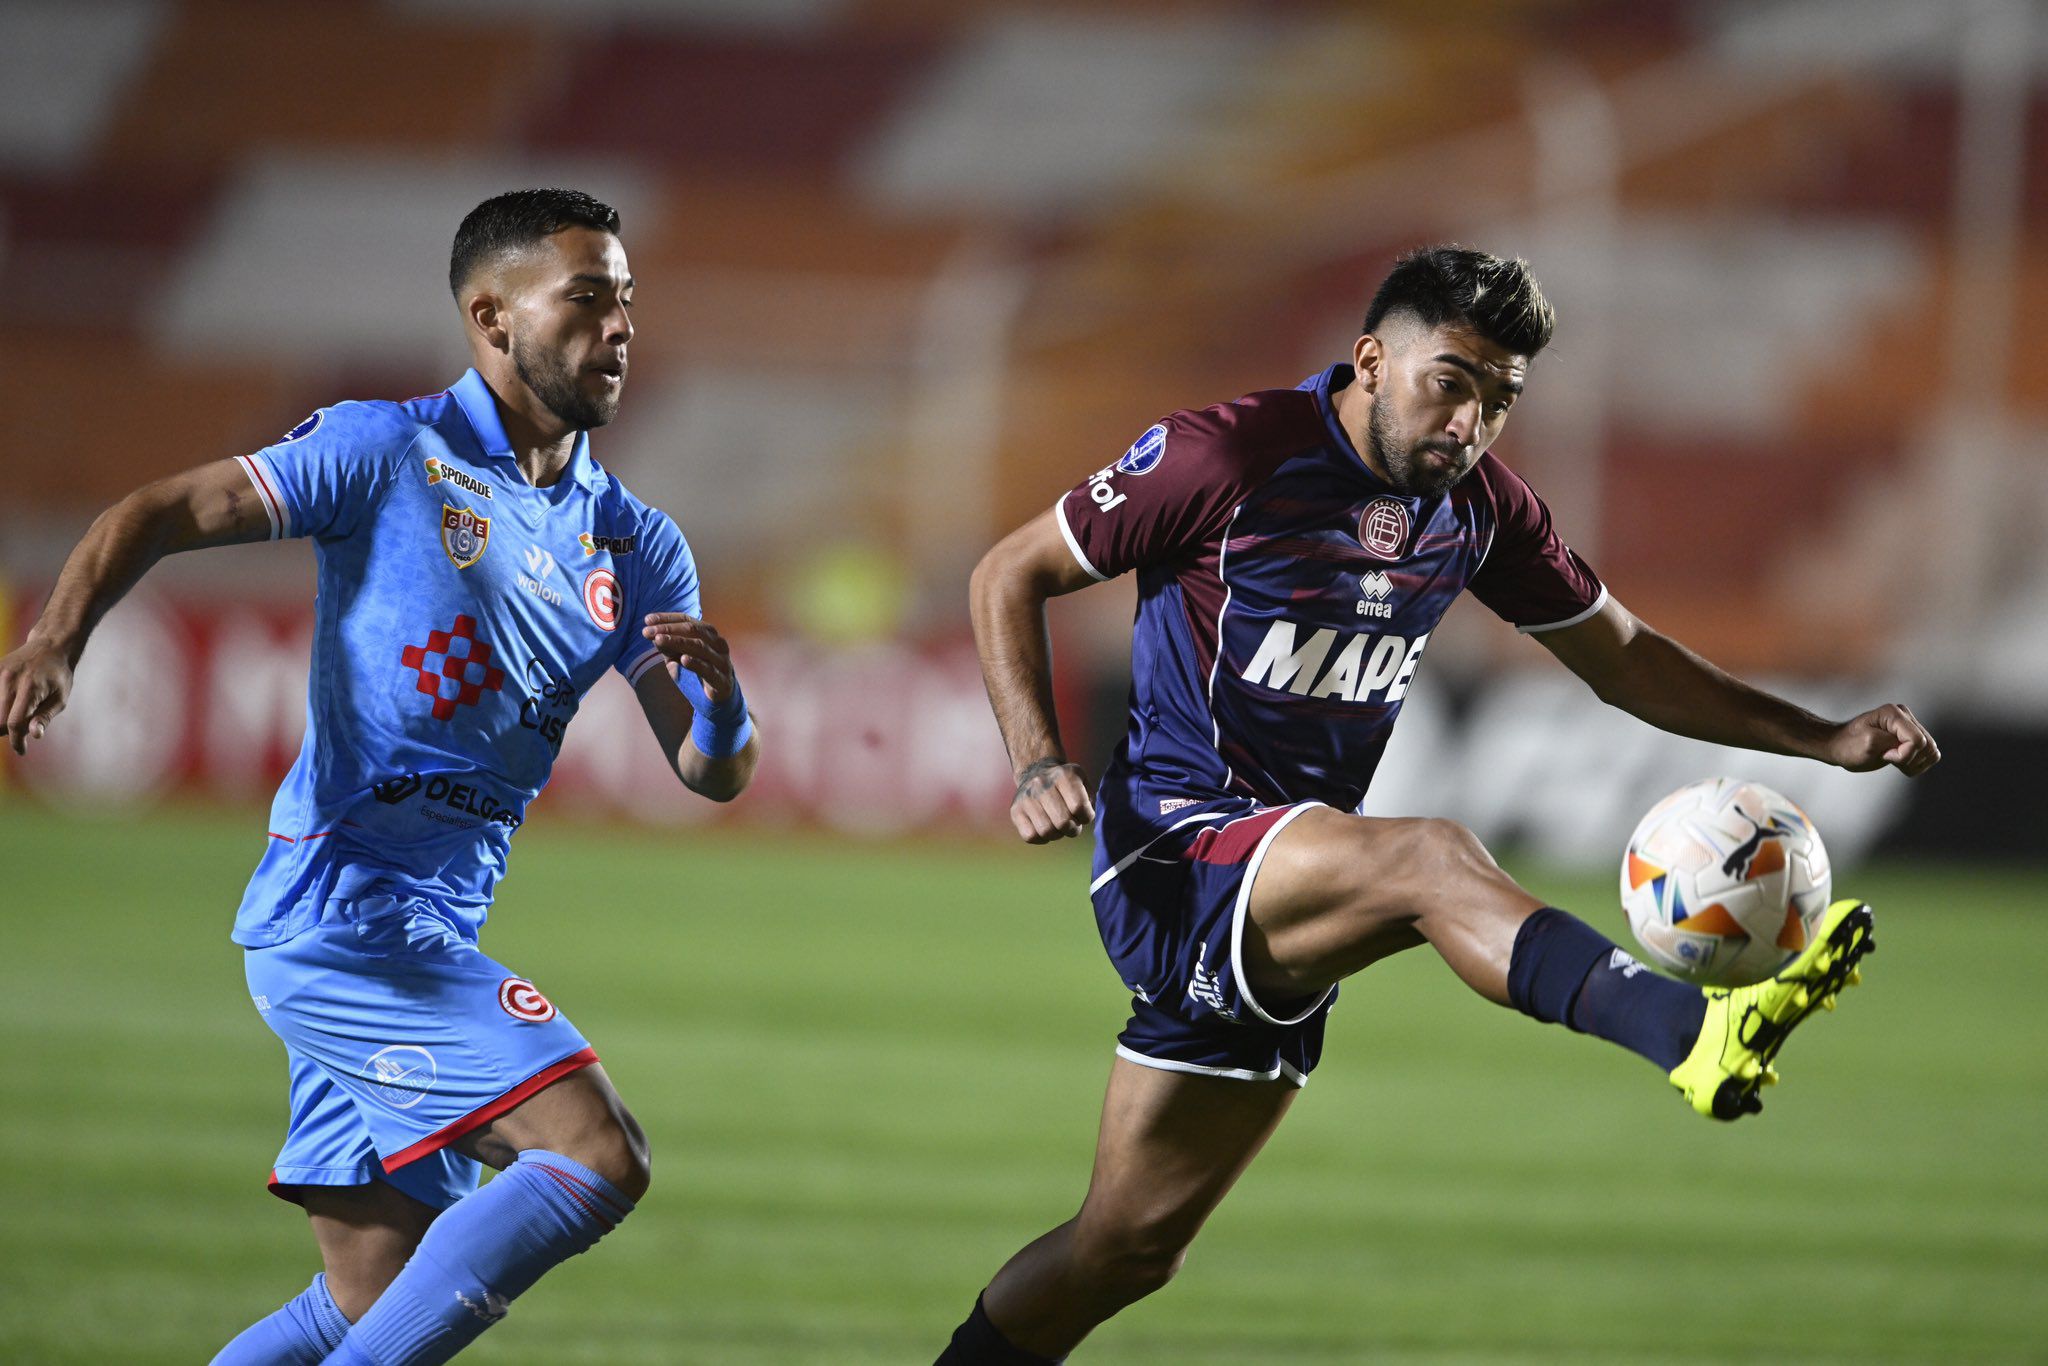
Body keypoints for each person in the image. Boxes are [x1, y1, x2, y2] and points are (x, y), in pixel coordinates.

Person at [936, 246, 1940, 1364]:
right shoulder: (1226, 453)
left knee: (1122, 1252)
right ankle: (1693, 1034)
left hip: (1281, 883)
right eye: (1451, 381)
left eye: (1499, 398)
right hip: (1173, 849)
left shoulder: (1479, 510)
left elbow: (1626, 661)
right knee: (1428, 858)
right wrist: (1036, 761)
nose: (1470, 421)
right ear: (1370, 359)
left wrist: (1823, 736)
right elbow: (1005, 571)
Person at [0, 188, 758, 1364]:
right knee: (597, 1152)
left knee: (362, 1304)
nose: (619, 327)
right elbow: (155, 509)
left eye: (627, 302)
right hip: (342, 919)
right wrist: (56, 637)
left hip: (434, 922)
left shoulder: (634, 540)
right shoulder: (385, 448)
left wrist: (723, 700)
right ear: (491, 316)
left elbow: (709, 771)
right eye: (589, 297)